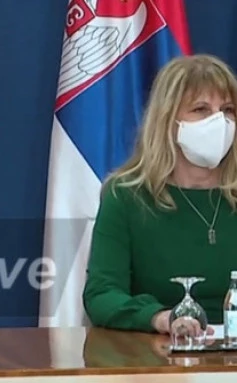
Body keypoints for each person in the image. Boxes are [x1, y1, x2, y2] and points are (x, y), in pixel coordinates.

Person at [83, 54, 237, 338]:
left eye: (228, 110)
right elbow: (102, 294)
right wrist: (160, 318)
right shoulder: (127, 196)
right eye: (201, 109)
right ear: (168, 121)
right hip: (157, 351)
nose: (220, 122)